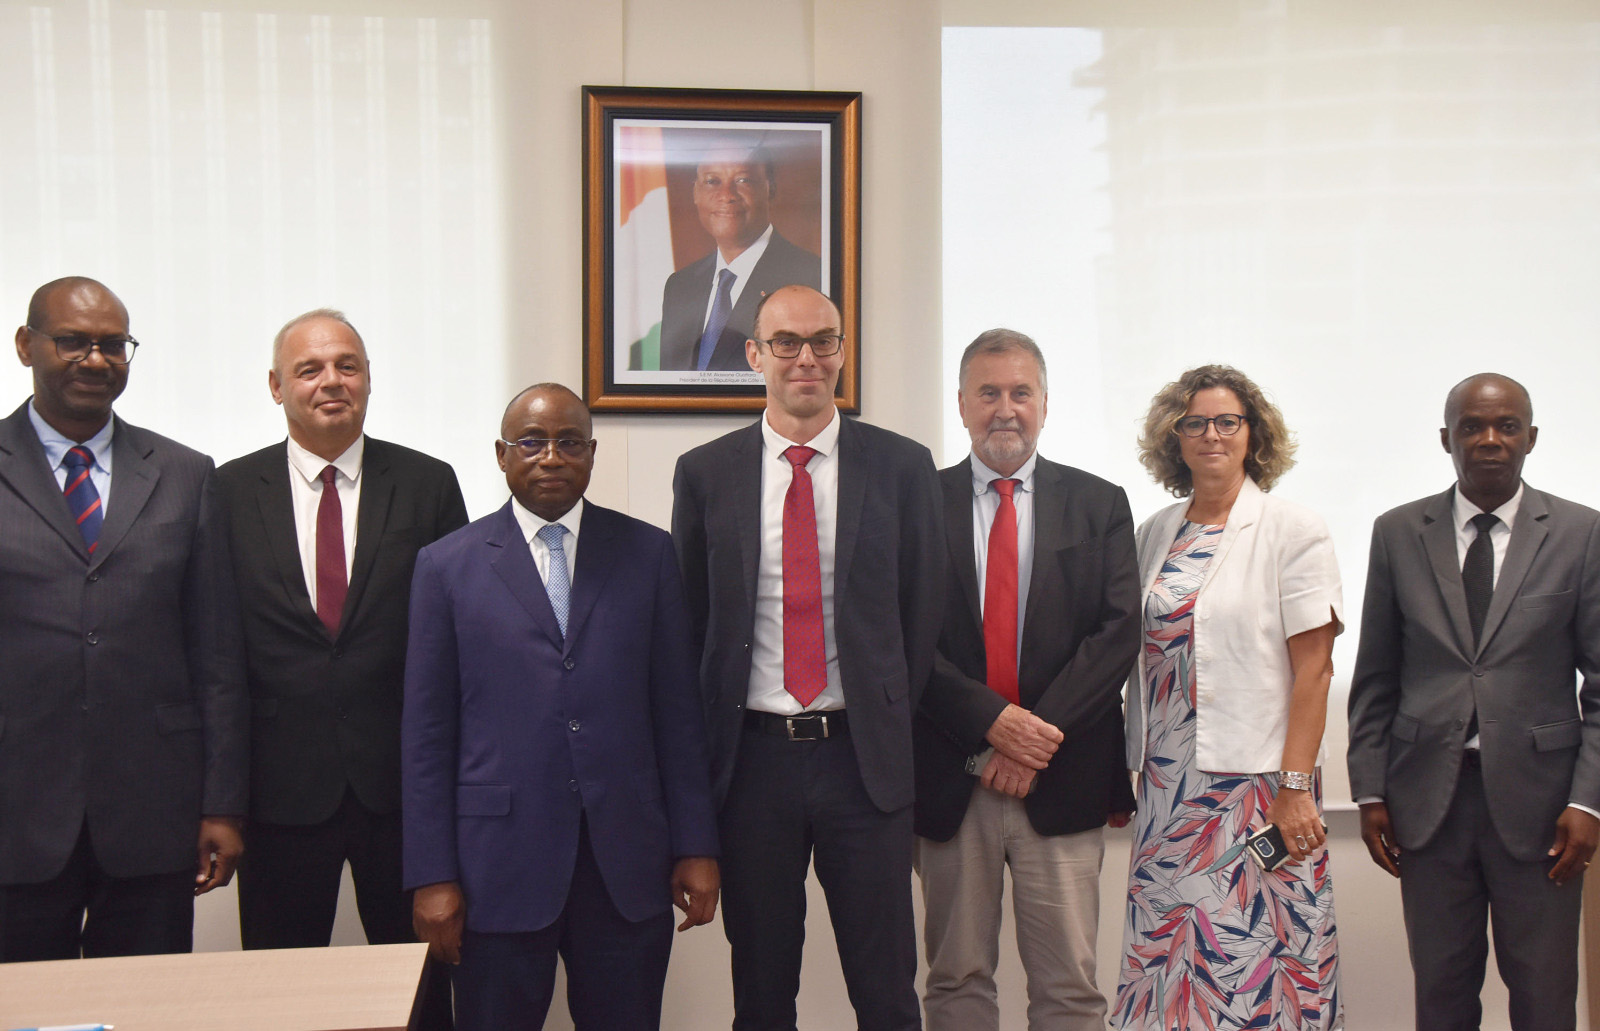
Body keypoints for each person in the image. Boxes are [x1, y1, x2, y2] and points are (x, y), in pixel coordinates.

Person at [403, 383, 720, 1030]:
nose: (552, 456)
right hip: (496, 867)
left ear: (592, 453)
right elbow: (427, 735)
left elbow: (678, 715)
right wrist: (431, 874)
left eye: (569, 442)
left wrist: (696, 843)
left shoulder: (648, 554)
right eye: (532, 441)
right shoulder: (446, 566)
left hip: (625, 866)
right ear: (501, 454)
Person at [672, 284, 943, 1030]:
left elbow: (923, 614)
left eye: (824, 340)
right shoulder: (704, 474)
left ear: (843, 353)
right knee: (761, 992)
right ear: (754, 355)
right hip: (752, 764)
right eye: (786, 342)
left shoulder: (901, 466)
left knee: (887, 990)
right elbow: (693, 624)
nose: (806, 358)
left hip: (863, 761)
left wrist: (885, 710)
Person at [216, 309, 466, 1028]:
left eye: (347, 364)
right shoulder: (227, 492)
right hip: (278, 797)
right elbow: (219, 654)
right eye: (310, 368)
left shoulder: (427, 484)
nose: (332, 381)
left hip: (403, 797)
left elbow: (457, 647)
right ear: (276, 386)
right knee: (280, 999)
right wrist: (220, 799)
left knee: (420, 991)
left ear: (367, 379)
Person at [0, 276, 247, 960]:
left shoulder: (184, 473)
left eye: (113, 344)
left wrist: (221, 804)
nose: (95, 359)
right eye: (73, 341)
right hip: (15, 813)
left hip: (152, 812)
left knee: (147, 1008)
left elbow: (217, 656)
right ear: (26, 346)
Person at [1347, 373, 1600, 1031]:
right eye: (1473, 427)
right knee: (1442, 995)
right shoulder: (1398, 532)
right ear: (1446, 438)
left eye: (1507, 426)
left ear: (1531, 438)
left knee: (1545, 999)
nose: (1490, 439)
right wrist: (1370, 789)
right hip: (1428, 803)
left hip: (1544, 809)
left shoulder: (1581, 533)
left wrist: (1587, 799)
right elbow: (1376, 675)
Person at [914, 329, 1139, 1031]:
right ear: (960, 404)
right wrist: (992, 722)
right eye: (988, 393)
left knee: (1071, 985)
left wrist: (1029, 737)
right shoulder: (917, 501)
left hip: (1063, 775)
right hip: (954, 775)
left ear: (1045, 403)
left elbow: (1116, 633)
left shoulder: (1100, 502)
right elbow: (902, 637)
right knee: (955, 978)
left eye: (1020, 392)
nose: (1004, 408)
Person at [1113, 365, 1343, 1030]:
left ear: (1253, 434)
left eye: (1227, 421)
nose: (1211, 434)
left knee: (1258, 974)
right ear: (1173, 437)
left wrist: (1296, 786)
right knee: (1170, 975)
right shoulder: (1156, 531)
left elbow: (1316, 670)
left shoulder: (1293, 529)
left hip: (1258, 795)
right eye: (1195, 422)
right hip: (1168, 793)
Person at [658, 135, 822, 372]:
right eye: (712, 181)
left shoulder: (810, 277)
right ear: (695, 193)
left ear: (770, 189)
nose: (727, 195)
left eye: (743, 180)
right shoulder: (679, 286)